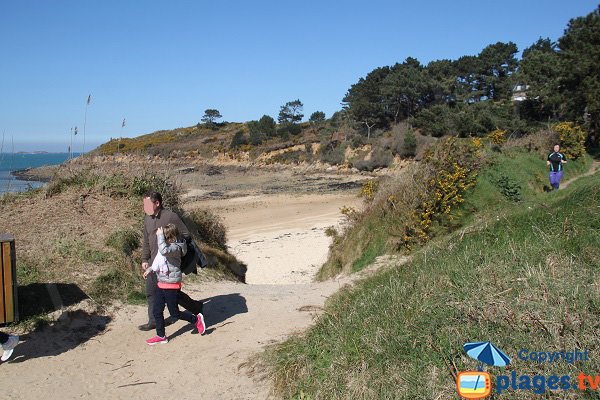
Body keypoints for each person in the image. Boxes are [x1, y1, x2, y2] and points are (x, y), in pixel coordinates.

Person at [140, 191, 203, 332]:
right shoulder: (147, 219)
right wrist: (145, 259)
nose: (145, 207)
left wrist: (172, 246)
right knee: (151, 292)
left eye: (148, 204)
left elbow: (186, 234)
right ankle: (154, 321)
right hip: (153, 262)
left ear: (157, 203)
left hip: (170, 264)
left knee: (174, 296)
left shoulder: (171, 216)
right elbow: (146, 241)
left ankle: (196, 308)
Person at [143, 224, 205, 344]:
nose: (161, 240)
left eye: (164, 237)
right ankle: (161, 336)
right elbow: (158, 260)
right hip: (161, 284)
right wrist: (149, 270)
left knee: (174, 313)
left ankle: (196, 319)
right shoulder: (165, 248)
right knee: (157, 311)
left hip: (171, 285)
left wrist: (160, 236)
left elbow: (164, 250)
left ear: (171, 237)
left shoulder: (176, 248)